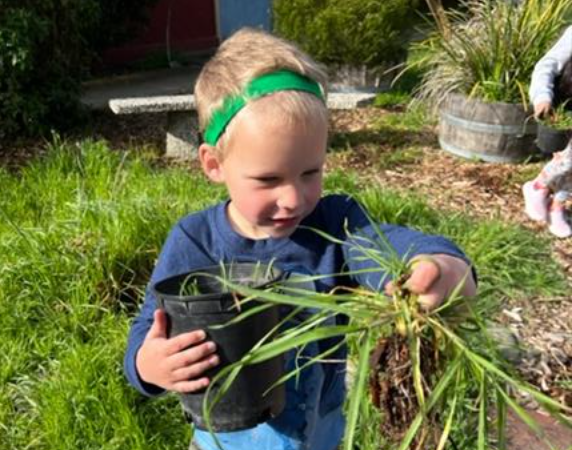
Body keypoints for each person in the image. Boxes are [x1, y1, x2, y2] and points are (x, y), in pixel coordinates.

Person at [123, 28, 477, 450]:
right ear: (214, 164)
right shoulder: (195, 241)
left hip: (318, 433)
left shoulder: (334, 224)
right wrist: (149, 365)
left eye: (311, 172)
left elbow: (385, 246)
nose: (294, 198)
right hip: (225, 438)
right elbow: (149, 328)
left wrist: (441, 266)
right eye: (269, 179)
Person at [524, 26, 572, 238]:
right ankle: (539, 186)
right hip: (567, 98)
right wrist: (542, 97)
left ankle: (556, 203)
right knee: (569, 160)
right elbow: (547, 65)